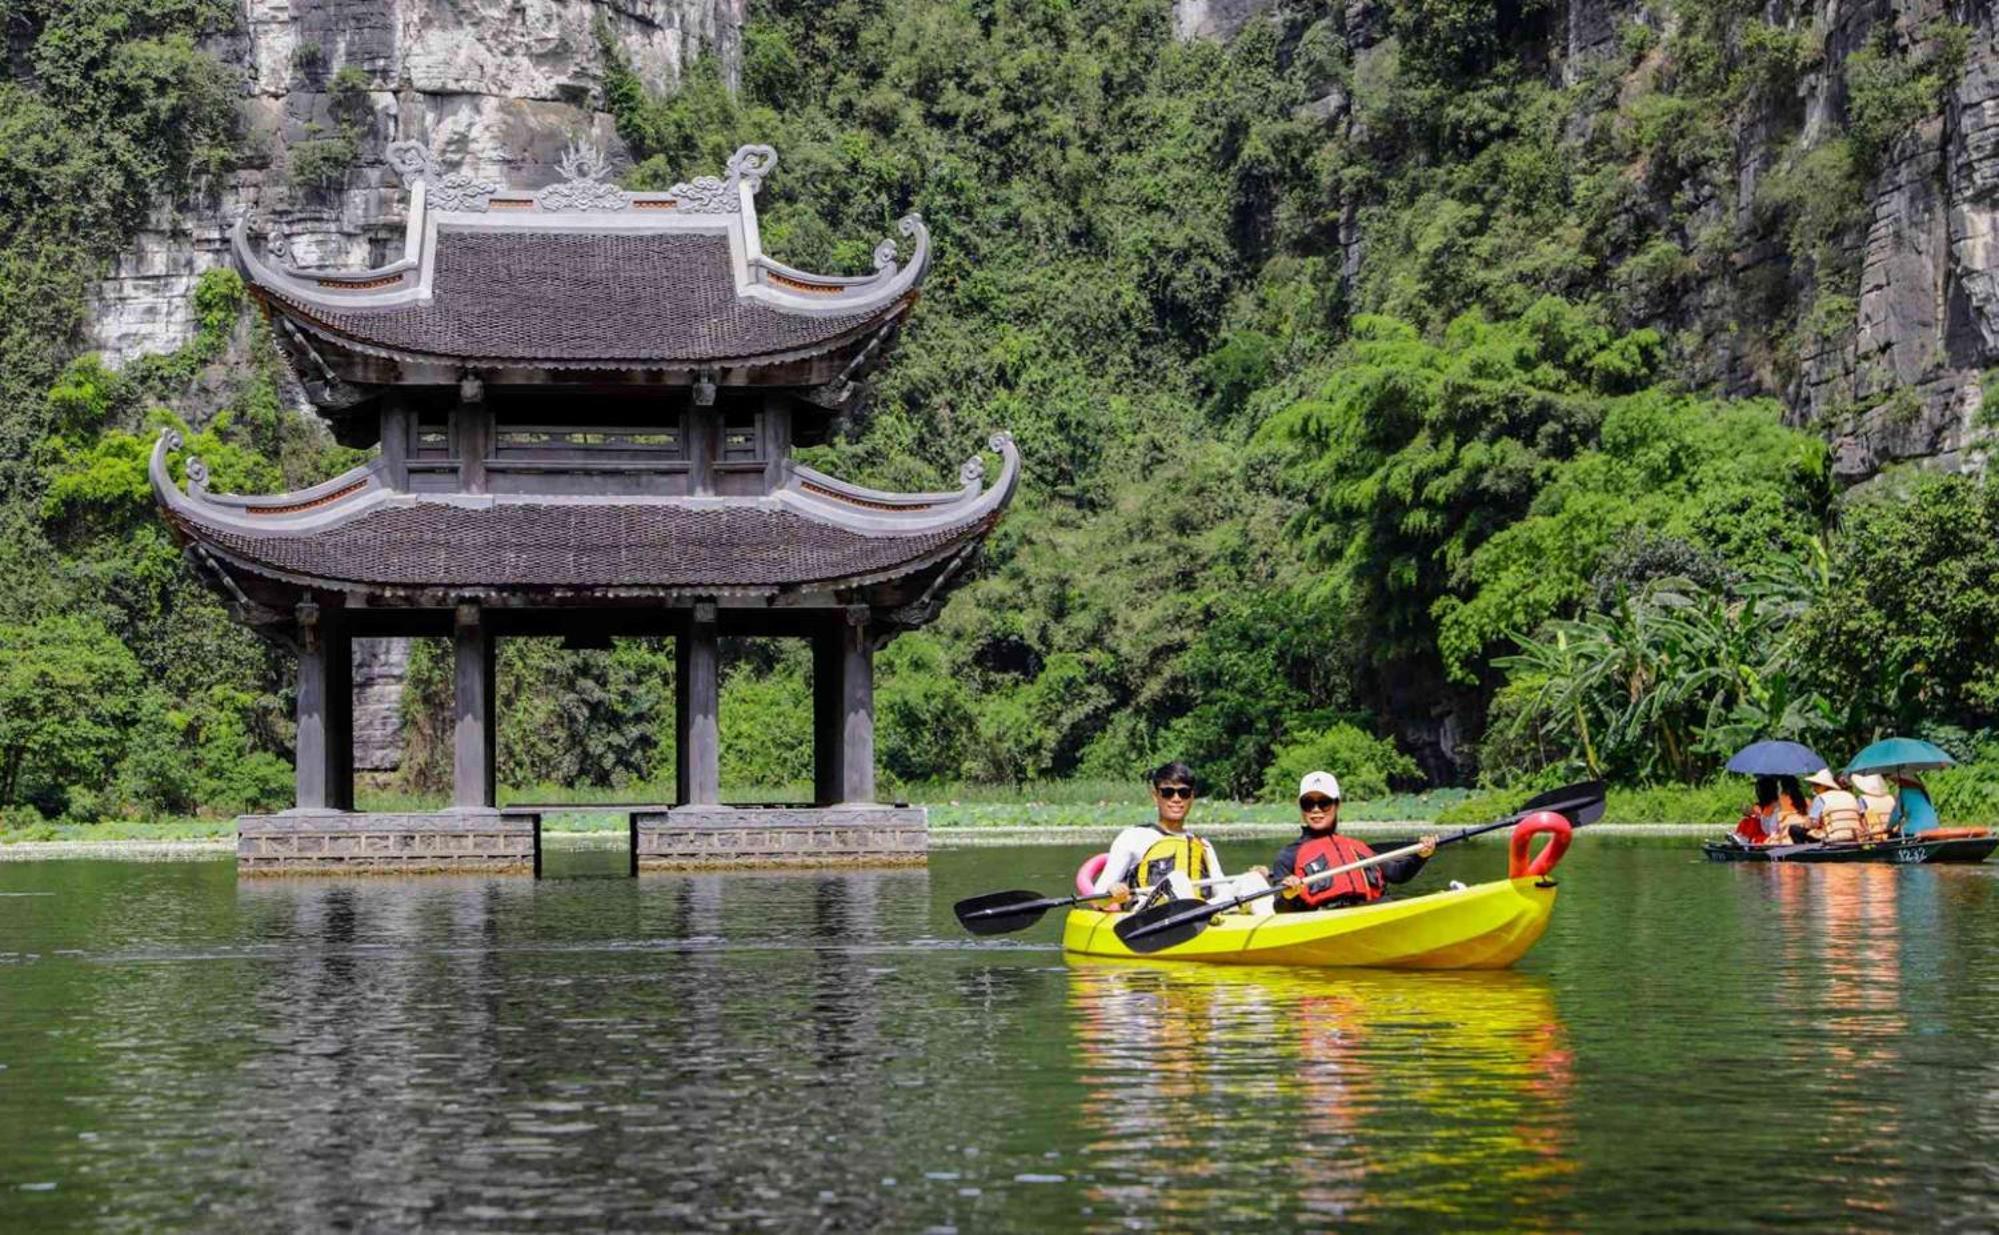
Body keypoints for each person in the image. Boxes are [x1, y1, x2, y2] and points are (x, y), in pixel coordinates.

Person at [1268, 771, 1438, 912]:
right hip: (1325, 920)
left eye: (1324, 803)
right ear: (1301, 807)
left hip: (1373, 911)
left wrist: (1421, 856)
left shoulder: (1357, 847)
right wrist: (1287, 896)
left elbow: (1398, 874)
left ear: (1337, 805)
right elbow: (1280, 909)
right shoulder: (1289, 855)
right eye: (1308, 803)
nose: (1316, 810)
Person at [1093, 762, 1226, 910]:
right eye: (1168, 792)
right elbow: (1097, 897)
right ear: (1156, 796)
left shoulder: (1204, 845)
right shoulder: (1132, 838)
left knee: (1252, 881)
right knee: (1177, 879)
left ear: (1191, 797)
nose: (1176, 799)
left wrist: (1253, 882)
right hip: (1150, 916)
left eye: (1184, 793)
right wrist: (1112, 891)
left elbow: (1223, 891)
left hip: (1202, 913)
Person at [1802, 768, 1865, 843]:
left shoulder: (1820, 798)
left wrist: (1805, 824)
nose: (1813, 788)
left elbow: (1814, 823)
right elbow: (1861, 817)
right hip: (1856, 836)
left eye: (1816, 785)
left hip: (1833, 837)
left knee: (1795, 830)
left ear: (1824, 786)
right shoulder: (1850, 796)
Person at [1888, 773, 1940, 837]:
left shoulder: (1904, 792)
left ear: (1904, 781)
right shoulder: (1922, 792)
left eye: (1898, 781)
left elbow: (1896, 815)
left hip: (1916, 829)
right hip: (1934, 825)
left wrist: (1888, 827)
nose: (1897, 784)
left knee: (1893, 837)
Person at [1851, 773, 1898, 839]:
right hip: (1892, 832)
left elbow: (1862, 819)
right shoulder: (1890, 798)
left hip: (1874, 834)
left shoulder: (1862, 799)